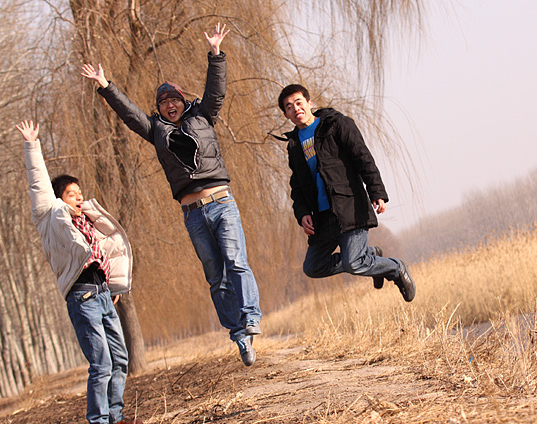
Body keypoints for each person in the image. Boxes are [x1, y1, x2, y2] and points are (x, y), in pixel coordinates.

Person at [80, 22, 261, 366]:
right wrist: (105, 85)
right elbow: (130, 114)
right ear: (159, 109)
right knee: (215, 277)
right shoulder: (155, 130)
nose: (170, 105)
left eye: (174, 99)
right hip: (193, 213)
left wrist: (216, 54)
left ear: (183, 101)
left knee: (236, 262)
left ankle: (251, 317)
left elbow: (216, 90)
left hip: (221, 203)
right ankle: (239, 335)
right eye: (163, 103)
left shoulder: (203, 115)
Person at [17, 120, 140, 424]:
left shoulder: (87, 222)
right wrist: (32, 145)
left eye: (80, 191)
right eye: (72, 193)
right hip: (82, 297)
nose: (79, 196)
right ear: (59, 198)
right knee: (101, 364)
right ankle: (98, 420)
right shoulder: (51, 217)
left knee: (120, 359)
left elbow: (109, 253)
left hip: (103, 294)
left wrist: (113, 287)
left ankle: (116, 416)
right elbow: (38, 184)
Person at [277, 84, 416, 302]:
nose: (295, 109)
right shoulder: (294, 145)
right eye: (289, 107)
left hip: (349, 207)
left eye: (298, 102)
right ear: (286, 115)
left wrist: (376, 191)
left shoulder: (335, 124)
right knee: (313, 267)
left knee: (354, 263)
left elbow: (363, 157)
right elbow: (297, 185)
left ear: (309, 103)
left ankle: (395, 268)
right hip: (322, 218)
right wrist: (302, 213)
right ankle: (370, 255)